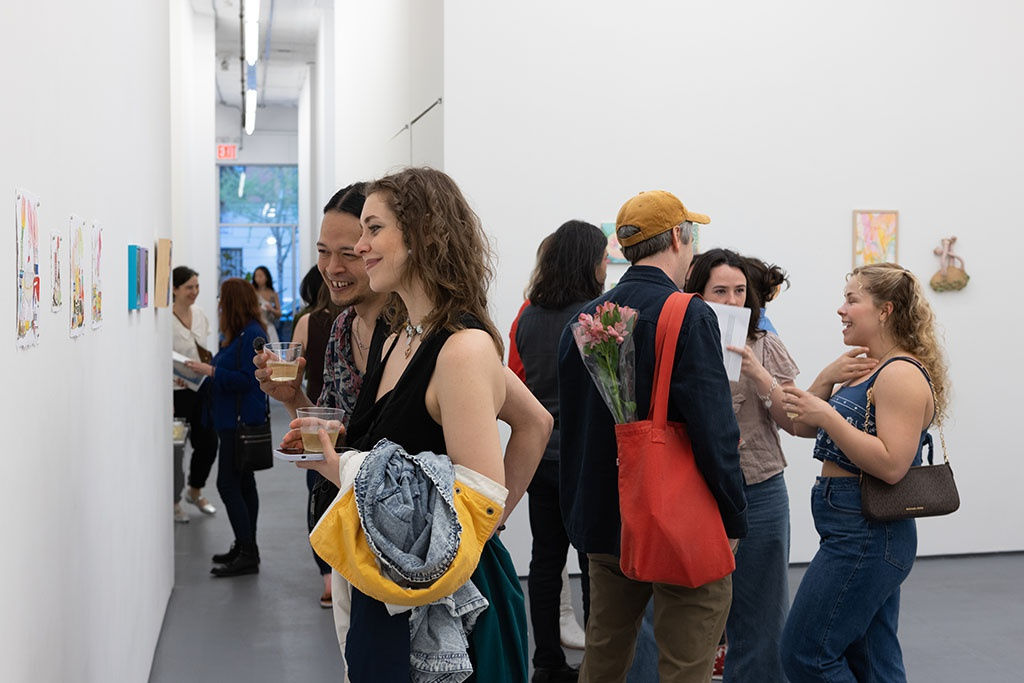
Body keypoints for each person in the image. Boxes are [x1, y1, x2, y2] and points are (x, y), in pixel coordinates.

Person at [295, 167, 549, 682]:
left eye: (373, 229)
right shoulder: (399, 337)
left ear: (424, 236)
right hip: (393, 583)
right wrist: (333, 453)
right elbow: (534, 420)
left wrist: (484, 530)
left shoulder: (462, 348)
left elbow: (483, 489)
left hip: (445, 604)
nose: (360, 246)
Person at [558, 190, 747, 683]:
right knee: (688, 662)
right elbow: (715, 430)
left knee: (604, 654)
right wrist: (733, 514)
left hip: (604, 523)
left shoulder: (584, 321)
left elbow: (572, 426)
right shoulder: (688, 313)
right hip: (676, 520)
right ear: (680, 238)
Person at [778, 262, 948, 682]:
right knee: (872, 662)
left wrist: (827, 415)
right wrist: (826, 379)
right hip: (853, 525)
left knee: (806, 654)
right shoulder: (868, 367)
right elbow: (800, 425)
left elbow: (892, 465)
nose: (841, 309)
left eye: (852, 300)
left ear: (886, 310)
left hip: (868, 531)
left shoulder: (901, 375)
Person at [257, 183, 388, 612]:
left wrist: (486, 528)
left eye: (348, 253)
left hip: (408, 557)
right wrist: (293, 397)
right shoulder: (340, 328)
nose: (332, 267)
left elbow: (533, 422)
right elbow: (328, 435)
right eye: (322, 251)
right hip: (351, 541)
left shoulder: (422, 336)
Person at [684, 248, 799, 682]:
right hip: (701, 490)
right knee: (693, 616)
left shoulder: (764, 342)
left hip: (762, 486)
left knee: (763, 621)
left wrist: (757, 373)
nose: (732, 301)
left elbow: (793, 420)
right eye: (720, 291)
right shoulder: (681, 341)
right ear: (697, 295)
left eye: (739, 291)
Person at [508, 220, 607, 682]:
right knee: (593, 561)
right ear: (588, 261)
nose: (608, 266)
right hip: (585, 458)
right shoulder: (596, 316)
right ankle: (596, 662)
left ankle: (546, 662)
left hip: (541, 458)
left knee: (546, 561)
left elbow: (520, 383)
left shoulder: (527, 315)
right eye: (604, 257)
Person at [185, 278, 268, 577]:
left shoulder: (252, 335)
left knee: (228, 484)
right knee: (243, 484)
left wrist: (212, 371)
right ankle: (246, 546)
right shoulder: (239, 334)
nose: (218, 304)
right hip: (230, 420)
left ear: (233, 302)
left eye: (222, 299)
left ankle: (247, 551)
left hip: (240, 421)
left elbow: (250, 379)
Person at [171, 266, 218, 523]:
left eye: (196, 286)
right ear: (175, 289)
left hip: (201, 390)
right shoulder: (165, 319)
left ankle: (195, 490)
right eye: (189, 287)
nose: (194, 292)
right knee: (177, 450)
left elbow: (203, 349)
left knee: (209, 443)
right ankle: (175, 501)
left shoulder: (199, 314)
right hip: (176, 395)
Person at [252, 265, 281, 343]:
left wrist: (271, 309)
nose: (258, 279)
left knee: (273, 349)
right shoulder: (252, 293)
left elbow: (279, 314)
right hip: (256, 326)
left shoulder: (273, 294)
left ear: (267, 277)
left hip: (269, 326)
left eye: (260, 276)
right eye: (256, 276)